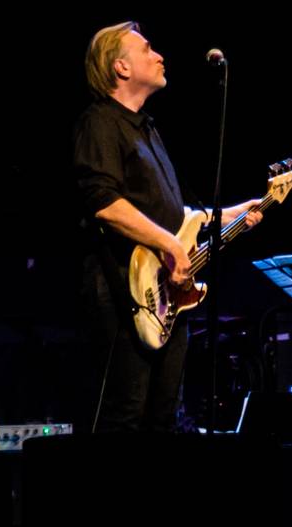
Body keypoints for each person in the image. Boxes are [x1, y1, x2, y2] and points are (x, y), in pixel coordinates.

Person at [73, 22, 260, 433]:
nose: (159, 56)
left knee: (163, 417)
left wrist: (230, 214)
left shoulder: (148, 129)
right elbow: (103, 202)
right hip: (122, 289)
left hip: (166, 297)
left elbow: (173, 216)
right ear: (121, 67)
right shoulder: (100, 121)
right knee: (124, 414)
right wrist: (169, 246)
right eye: (147, 50)